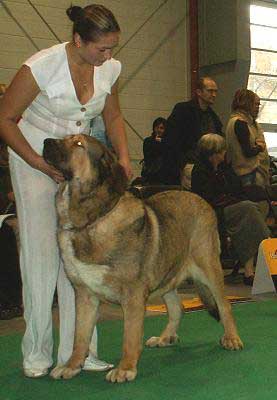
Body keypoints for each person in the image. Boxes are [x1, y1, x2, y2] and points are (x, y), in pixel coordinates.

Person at [0, 4, 132, 379]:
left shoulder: (109, 68)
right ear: (78, 40)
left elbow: (113, 116)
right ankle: (37, 353)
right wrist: (38, 164)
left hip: (76, 167)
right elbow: (4, 119)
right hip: (34, 158)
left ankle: (81, 351)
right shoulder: (41, 66)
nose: (108, 56)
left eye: (112, 49)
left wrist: (123, 156)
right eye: (101, 49)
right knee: (42, 255)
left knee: (80, 256)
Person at [191, 134, 270, 286]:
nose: (224, 154)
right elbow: (205, 199)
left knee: (249, 215)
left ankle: (249, 271)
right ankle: (266, 245)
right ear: (213, 153)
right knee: (248, 209)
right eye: (221, 151)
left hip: (231, 208)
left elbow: (237, 189)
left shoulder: (224, 169)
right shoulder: (199, 171)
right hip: (212, 212)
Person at [160, 77, 223, 186]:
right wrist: (181, 164)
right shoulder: (183, 110)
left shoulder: (213, 117)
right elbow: (171, 140)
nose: (214, 95)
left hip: (206, 168)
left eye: (215, 91)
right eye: (210, 91)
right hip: (187, 166)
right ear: (199, 92)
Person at [225, 89, 270, 188]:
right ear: (247, 104)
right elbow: (247, 152)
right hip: (246, 172)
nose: (257, 108)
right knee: (253, 201)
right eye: (256, 104)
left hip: (244, 172)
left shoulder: (237, 121)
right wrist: (260, 147)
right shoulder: (240, 123)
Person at [141, 117, 166, 184]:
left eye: (161, 128)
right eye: (157, 127)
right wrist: (156, 144)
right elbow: (148, 157)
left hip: (164, 175)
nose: (159, 130)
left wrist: (163, 143)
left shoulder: (167, 143)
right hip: (151, 174)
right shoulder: (148, 141)